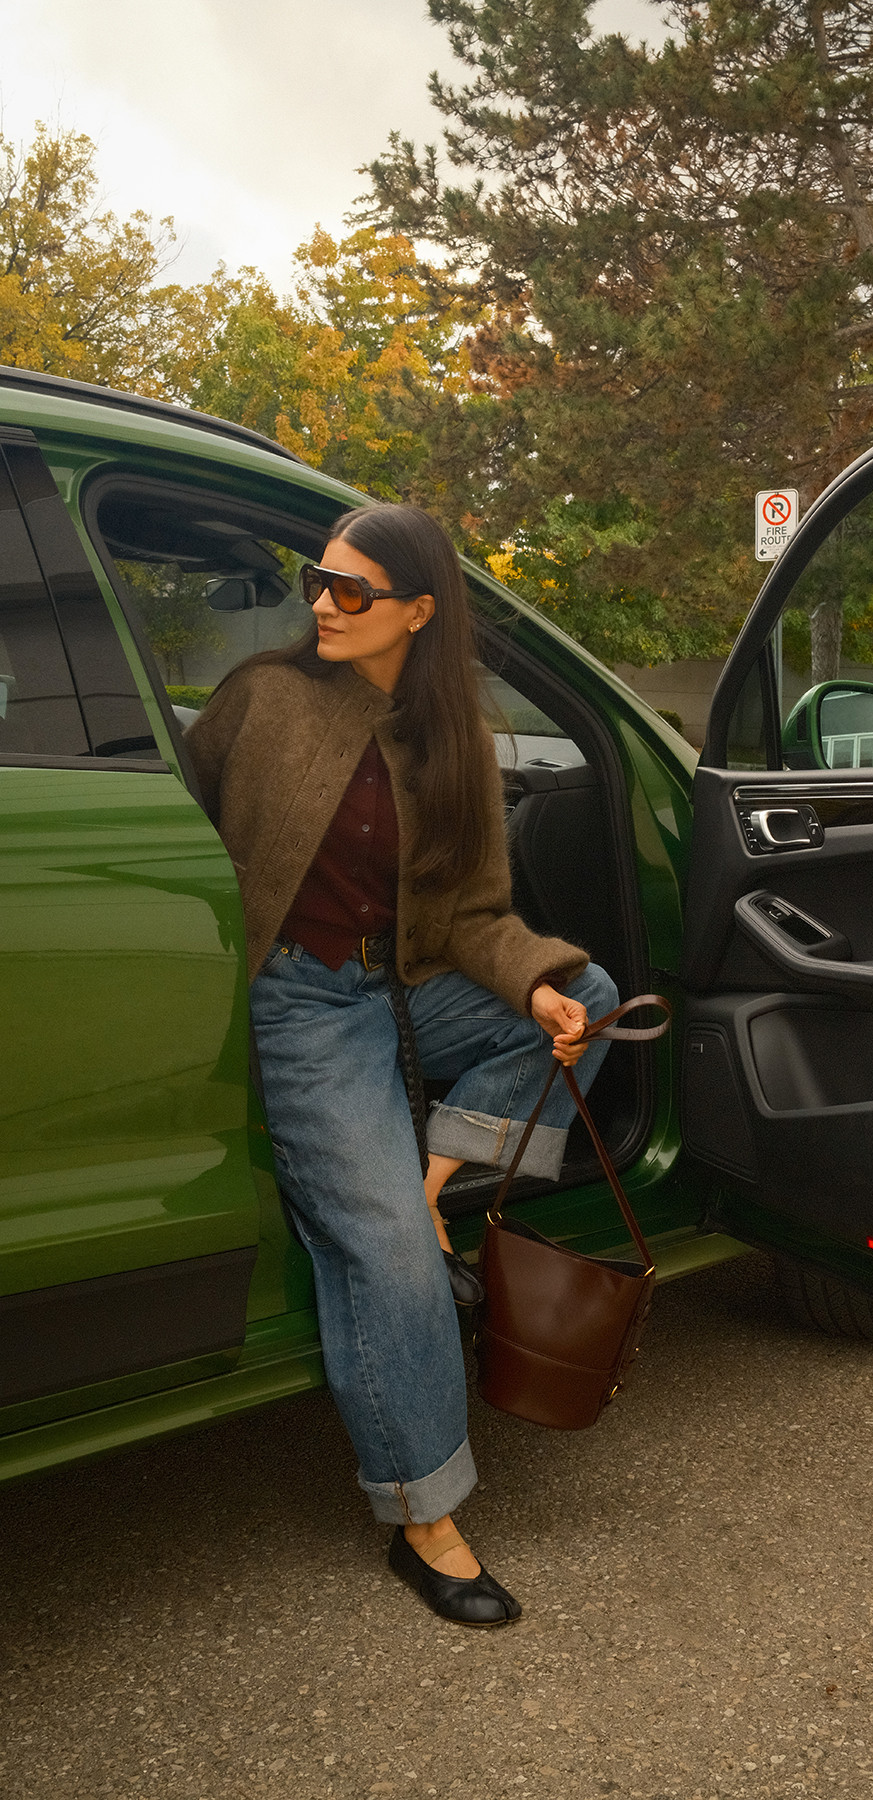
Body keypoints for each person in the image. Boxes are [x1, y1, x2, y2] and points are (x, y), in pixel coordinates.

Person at [185, 503, 617, 1628]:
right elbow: (178, 834)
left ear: (418, 612)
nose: (323, 603)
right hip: (304, 1005)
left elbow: (475, 912)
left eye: (352, 591)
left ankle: (434, 1182)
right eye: (317, 580)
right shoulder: (260, 701)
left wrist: (531, 986)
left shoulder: (456, 741)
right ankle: (425, 1519)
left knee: (593, 995)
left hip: (415, 983)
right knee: (386, 1257)